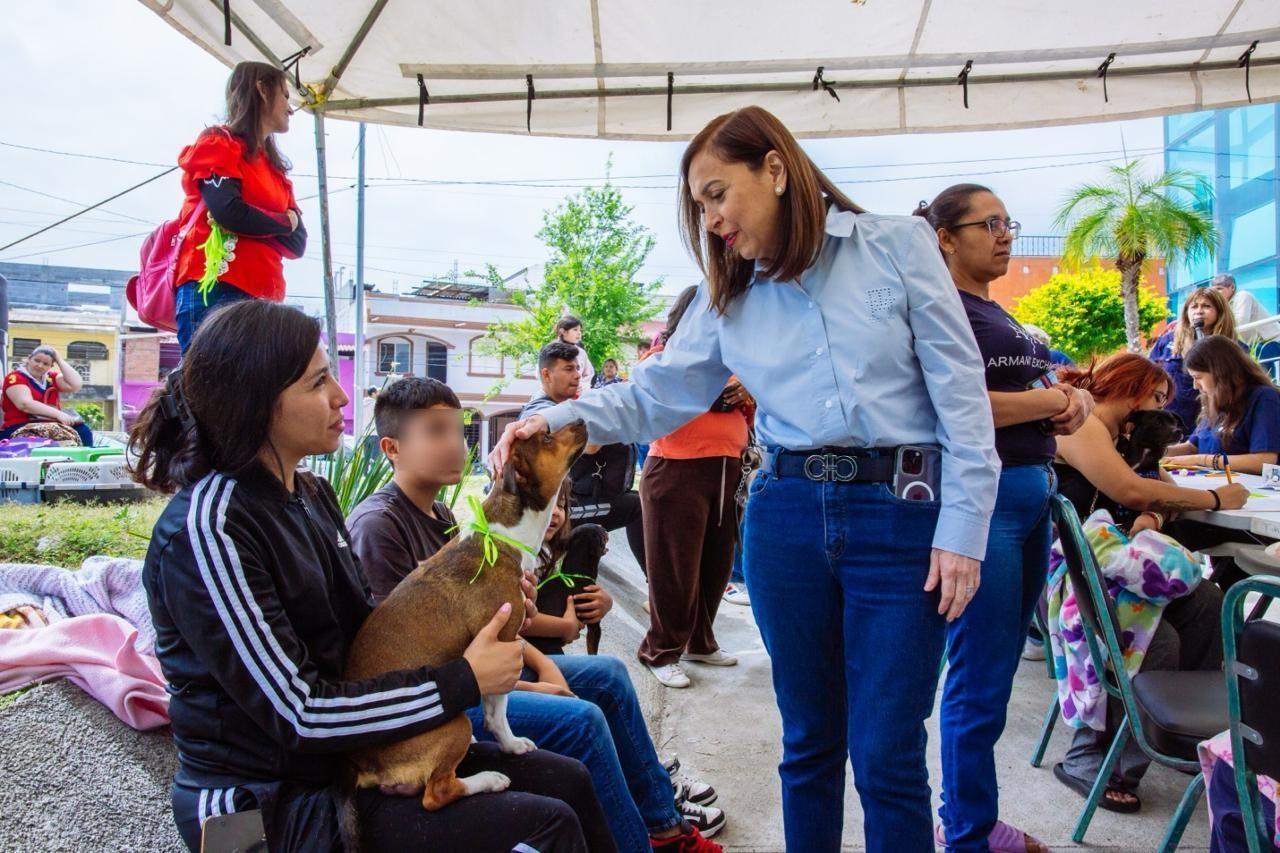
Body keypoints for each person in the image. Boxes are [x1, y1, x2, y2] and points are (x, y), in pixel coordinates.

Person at [490, 105, 999, 853]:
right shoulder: (723, 296)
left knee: (888, 751)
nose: (712, 218)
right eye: (700, 206)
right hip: (786, 516)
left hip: (901, 517)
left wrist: (964, 530)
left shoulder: (898, 245)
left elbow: (963, 397)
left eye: (718, 193)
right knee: (808, 742)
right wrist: (555, 423)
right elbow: (656, 393)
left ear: (774, 168)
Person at [132, 301, 608, 853]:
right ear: (256, 403)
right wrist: (462, 679)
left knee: (568, 779)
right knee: (545, 822)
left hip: (352, 753)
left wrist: (477, 603)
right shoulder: (210, 530)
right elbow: (300, 713)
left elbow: (370, 629)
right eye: (318, 382)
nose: (340, 395)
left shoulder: (308, 494)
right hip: (268, 804)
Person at [346, 377, 724, 851]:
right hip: (434, 704)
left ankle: (660, 819)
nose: (454, 444)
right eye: (436, 432)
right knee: (583, 720)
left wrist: (542, 659)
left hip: (471, 678)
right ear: (392, 447)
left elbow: (486, 623)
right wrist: (533, 681)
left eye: (457, 430)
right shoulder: (378, 526)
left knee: (607, 673)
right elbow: (410, 663)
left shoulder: (444, 517)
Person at [917, 184, 1094, 853]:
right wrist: (1051, 400)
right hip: (981, 501)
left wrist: (1065, 404)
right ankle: (966, 831)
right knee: (980, 676)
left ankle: (974, 818)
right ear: (944, 237)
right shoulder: (943, 310)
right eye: (988, 223)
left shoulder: (995, 311)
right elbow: (952, 404)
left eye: (1007, 221)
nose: (1005, 233)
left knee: (994, 674)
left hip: (1026, 496)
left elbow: (1024, 396)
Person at [1051, 352, 1246, 813]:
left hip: (1119, 566)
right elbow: (1132, 491)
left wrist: (1156, 511)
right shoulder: (1083, 423)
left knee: (1209, 604)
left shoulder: (1130, 437)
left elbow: (1156, 496)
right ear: (1132, 388)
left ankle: (1171, 735)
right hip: (1073, 573)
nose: (1160, 408)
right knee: (1158, 640)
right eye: (1157, 396)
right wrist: (1217, 495)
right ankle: (1093, 759)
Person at [636, 285, 753, 689]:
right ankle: (660, 650)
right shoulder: (661, 357)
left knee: (715, 566)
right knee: (674, 569)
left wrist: (747, 388)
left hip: (727, 471)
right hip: (676, 471)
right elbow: (656, 401)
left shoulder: (735, 359)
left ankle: (699, 642)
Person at [173, 61, 306, 353]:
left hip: (265, 301)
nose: (290, 107)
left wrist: (259, 220)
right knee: (207, 392)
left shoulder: (276, 170)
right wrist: (284, 222)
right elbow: (229, 212)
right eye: (285, 94)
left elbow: (298, 244)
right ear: (261, 90)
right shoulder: (219, 143)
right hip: (217, 290)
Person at [524, 342, 647, 576]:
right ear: (546, 374)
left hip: (568, 502)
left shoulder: (558, 406)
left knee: (634, 503)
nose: (577, 375)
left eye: (578, 369)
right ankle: (655, 589)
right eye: (568, 369)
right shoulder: (541, 412)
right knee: (637, 507)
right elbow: (590, 445)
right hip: (555, 514)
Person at [1164, 334, 1280, 476]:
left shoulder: (1263, 398)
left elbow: (1264, 461)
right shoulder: (1214, 398)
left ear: (1220, 372)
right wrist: (1154, 452)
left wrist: (1201, 460)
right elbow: (1192, 446)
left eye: (1198, 377)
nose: (1195, 386)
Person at [1149, 286, 1241, 433]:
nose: (1199, 311)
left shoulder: (1233, 346)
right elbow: (1150, 375)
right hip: (1171, 420)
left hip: (1213, 420)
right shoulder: (1167, 341)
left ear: (1219, 311)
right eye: (1194, 306)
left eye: (1206, 306)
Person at [1, 345, 93, 446]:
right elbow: (25, 404)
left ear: (51, 366)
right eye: (37, 360)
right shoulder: (14, 377)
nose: (40, 365)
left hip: (50, 425)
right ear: (29, 359)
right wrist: (58, 414)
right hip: (20, 426)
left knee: (82, 430)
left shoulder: (50, 378)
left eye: (45, 364)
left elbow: (75, 384)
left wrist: (59, 360)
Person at [1212, 272, 1280, 353]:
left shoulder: (1242, 296)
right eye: (1214, 290)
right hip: (1256, 345)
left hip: (1270, 341)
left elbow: (1240, 321)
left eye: (1219, 289)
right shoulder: (1225, 304)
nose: (1216, 293)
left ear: (1232, 287)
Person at [555, 315, 595, 391]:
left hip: (577, 395)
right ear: (562, 331)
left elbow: (589, 375)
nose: (579, 333)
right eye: (575, 330)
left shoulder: (581, 353)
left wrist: (582, 386)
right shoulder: (552, 351)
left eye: (580, 330)